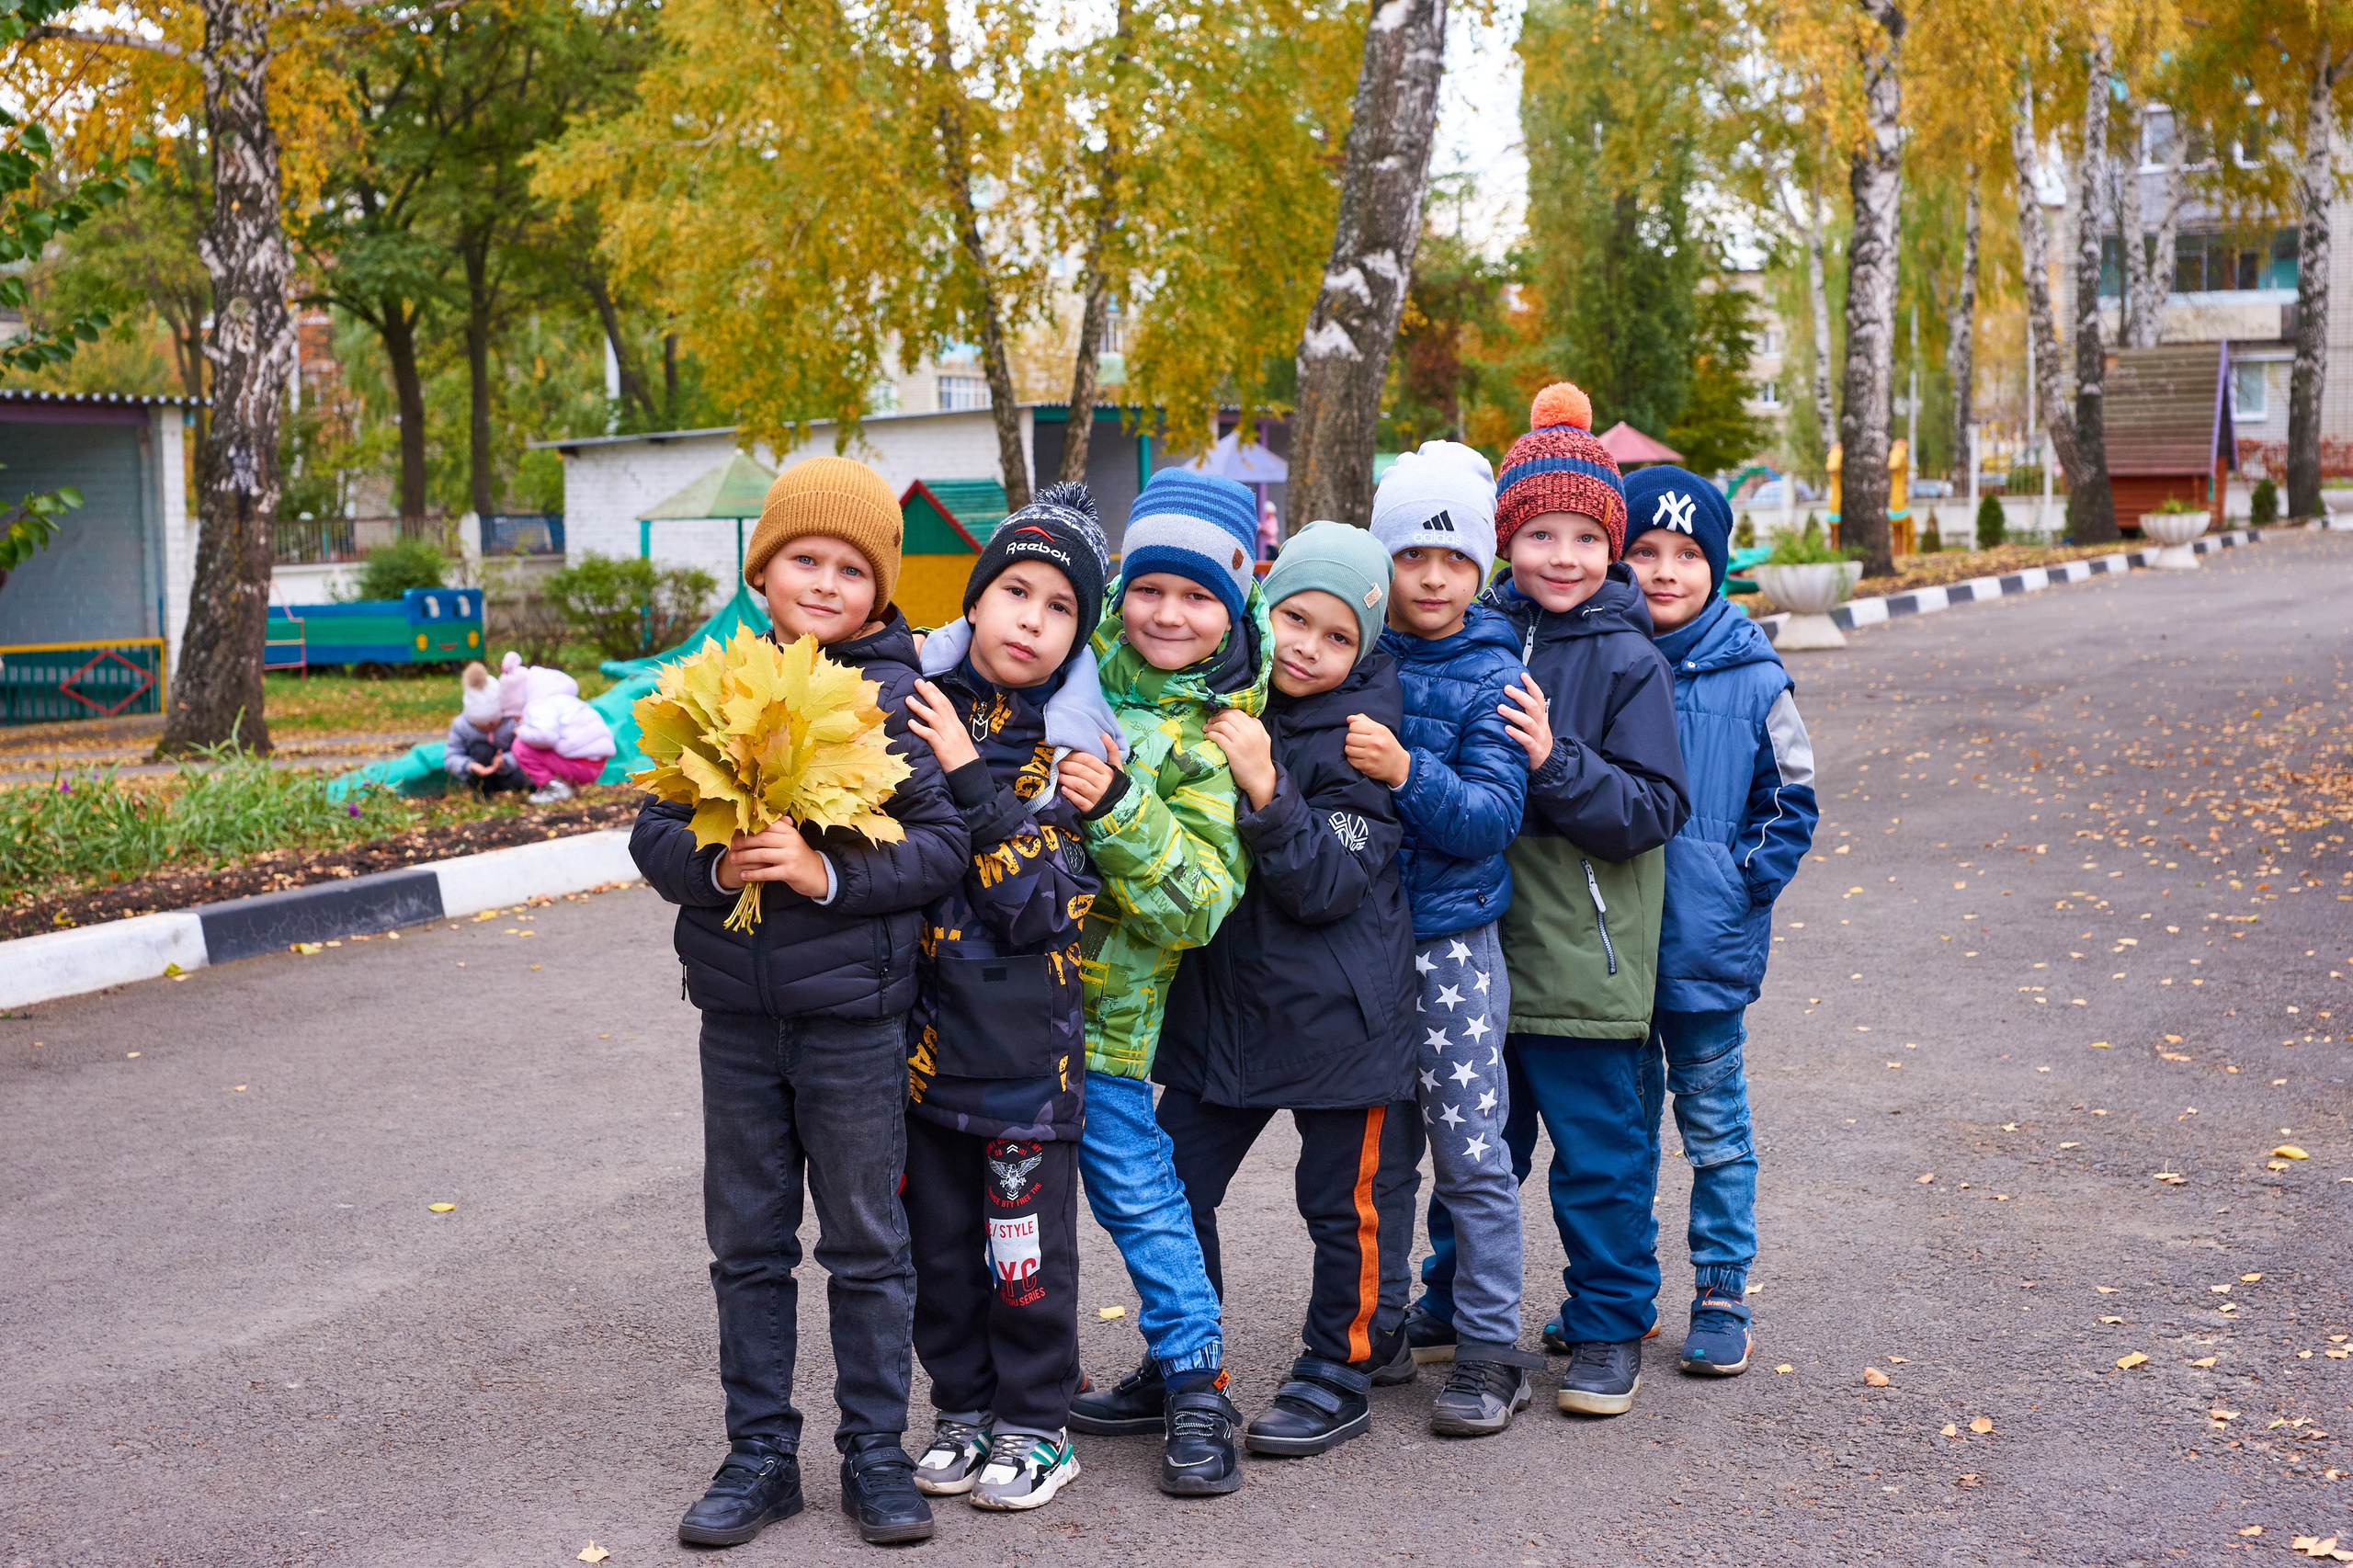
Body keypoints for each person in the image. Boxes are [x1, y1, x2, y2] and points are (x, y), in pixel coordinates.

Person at [630, 456, 969, 1550]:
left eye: (848, 567)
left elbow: (942, 844)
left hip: (856, 1024)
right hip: (735, 1018)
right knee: (747, 1240)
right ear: (762, 571)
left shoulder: (899, 702)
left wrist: (825, 876)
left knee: (867, 1241)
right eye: (801, 560)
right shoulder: (717, 686)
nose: (823, 582)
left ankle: (876, 1451)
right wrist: (717, 867)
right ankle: (759, 1454)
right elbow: (653, 828)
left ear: (880, 587)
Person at [1425, 382, 1690, 1420]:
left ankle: (1608, 1322)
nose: (1564, 556)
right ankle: (1454, 1298)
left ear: (1612, 544)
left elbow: (1652, 806)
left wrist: (1553, 758)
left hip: (1586, 960)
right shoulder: (1479, 634)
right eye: (1540, 533)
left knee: (1599, 1158)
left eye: (1586, 534)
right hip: (1480, 943)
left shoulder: (1629, 656)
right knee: (1472, 1143)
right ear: (1507, 539)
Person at [1153, 521, 1419, 1460]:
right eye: (1292, 616)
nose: (1308, 644)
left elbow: (1326, 884)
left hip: (1341, 1017)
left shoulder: (1364, 734)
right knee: (1167, 1181)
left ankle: (1339, 1368)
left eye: (1337, 634)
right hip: (1221, 1010)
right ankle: (1181, 1352)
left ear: (1365, 648)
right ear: (1260, 607)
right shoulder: (1212, 694)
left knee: (1343, 1203)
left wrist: (1267, 786)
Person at [894, 483, 1117, 1514]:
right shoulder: (908, 703)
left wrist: (966, 777)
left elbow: (1038, 904)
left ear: (1077, 634)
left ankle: (1038, 1426)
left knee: (1024, 1258)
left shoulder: (1072, 748)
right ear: (974, 600)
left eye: (1059, 605)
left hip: (1025, 1062)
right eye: (1013, 589)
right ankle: (964, 1409)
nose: (1030, 616)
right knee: (939, 1254)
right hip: (917, 1051)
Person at [1054, 467, 1269, 1498]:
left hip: (1105, 1032)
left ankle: (1195, 1381)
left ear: (1230, 605)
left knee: (1140, 1197)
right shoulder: (1062, 679)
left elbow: (1195, 903)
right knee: (987, 1205)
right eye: (1149, 588)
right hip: (985, 1015)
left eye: (1197, 596)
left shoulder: (1214, 738)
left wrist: (1116, 801)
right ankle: (1007, 1391)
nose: (1169, 613)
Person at [1346, 440, 1545, 1437]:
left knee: (1470, 1154)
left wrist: (1400, 768)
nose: (1431, 577)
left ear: (1479, 567)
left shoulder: (1493, 672)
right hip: (1363, 948)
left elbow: (1483, 819)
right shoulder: (1355, 654)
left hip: (1454, 949)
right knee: (1379, 1161)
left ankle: (1486, 1351)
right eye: (1412, 556)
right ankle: (1374, 1329)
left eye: (1454, 559)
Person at [1620, 466, 1816, 1379]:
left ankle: (1721, 1286)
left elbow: (1792, 801)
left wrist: (1742, 884)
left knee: (1713, 1125)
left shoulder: (1753, 674)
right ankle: (1614, 1293)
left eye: (1687, 554)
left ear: (1719, 566)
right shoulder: (1601, 657)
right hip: (1605, 952)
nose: (1664, 571)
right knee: (1616, 1131)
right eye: (1644, 552)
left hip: (1704, 943)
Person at [445, 660, 527, 796]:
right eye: (481, 726)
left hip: (508, 771)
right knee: (481, 749)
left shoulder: (511, 722)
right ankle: (482, 790)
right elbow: (451, 757)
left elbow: (523, 750)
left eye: (493, 723)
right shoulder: (461, 725)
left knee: (519, 779)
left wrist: (505, 761)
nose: (489, 728)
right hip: (477, 772)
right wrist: (469, 766)